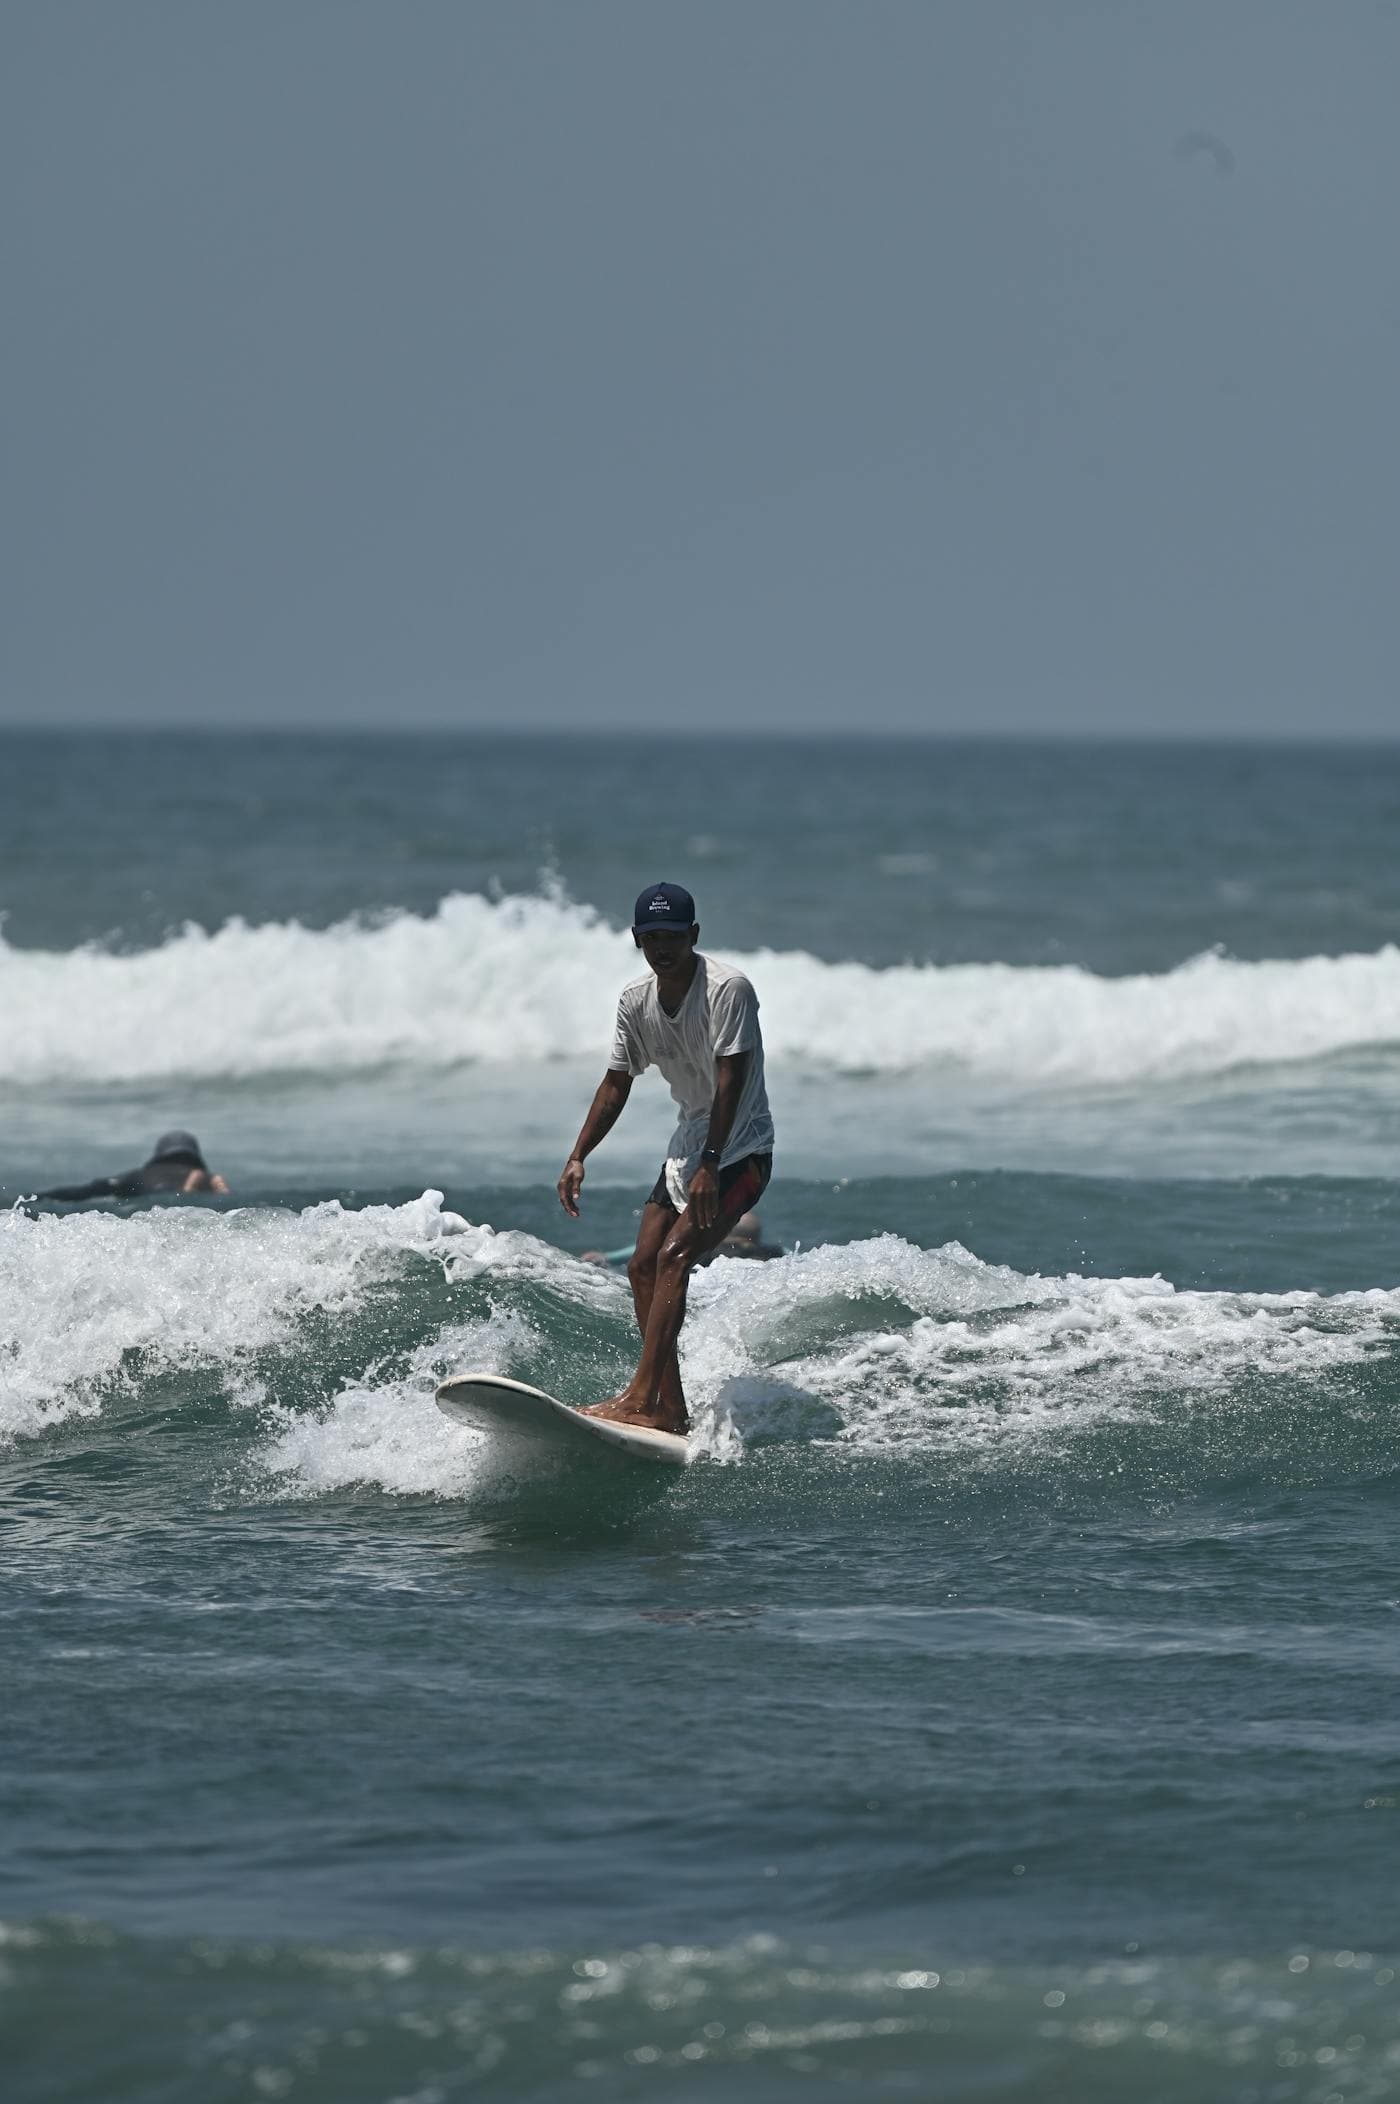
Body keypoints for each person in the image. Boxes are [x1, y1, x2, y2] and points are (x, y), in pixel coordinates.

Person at [557, 882, 774, 1434]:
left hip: (741, 1150)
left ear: (693, 936)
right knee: (641, 1266)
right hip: (689, 1149)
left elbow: (732, 1082)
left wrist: (712, 1163)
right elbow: (615, 1083)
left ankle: (640, 1397)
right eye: (651, 937)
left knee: (675, 1257)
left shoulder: (728, 990)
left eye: (672, 936)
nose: (662, 947)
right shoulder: (635, 1001)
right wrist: (579, 1155)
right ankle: (669, 1408)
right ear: (636, 939)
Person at [36, 1129, 230, 1203]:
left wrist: (40, 1196)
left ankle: (184, 1193)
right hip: (195, 1192)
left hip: (149, 1194)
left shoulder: (138, 1176)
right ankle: (187, 1192)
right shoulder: (206, 1179)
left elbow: (85, 1191)